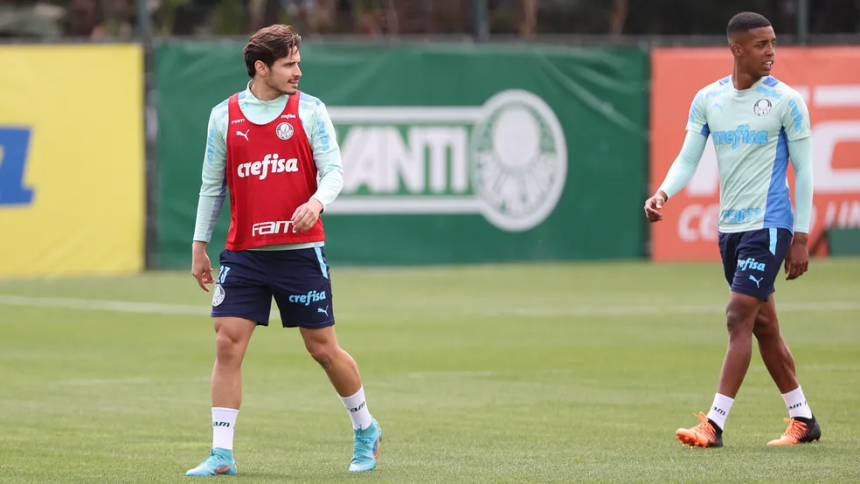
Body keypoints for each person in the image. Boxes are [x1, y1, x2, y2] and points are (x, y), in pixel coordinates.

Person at [186, 24, 382, 476]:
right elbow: (211, 187)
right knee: (226, 344)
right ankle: (221, 454)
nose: (298, 71)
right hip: (246, 254)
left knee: (323, 350)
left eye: (298, 61)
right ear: (262, 68)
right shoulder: (224, 116)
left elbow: (334, 172)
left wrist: (316, 203)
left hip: (299, 254)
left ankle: (365, 428)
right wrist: (200, 246)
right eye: (289, 63)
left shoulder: (311, 111)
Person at [645, 11, 821, 448]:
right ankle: (804, 420)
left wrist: (800, 236)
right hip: (731, 230)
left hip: (771, 224)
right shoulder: (709, 99)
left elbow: (805, 170)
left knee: (736, 314)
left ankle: (715, 424)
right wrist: (663, 193)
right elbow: (689, 157)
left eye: (774, 43)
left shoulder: (787, 101)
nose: (771, 52)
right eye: (761, 45)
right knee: (764, 327)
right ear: (736, 49)